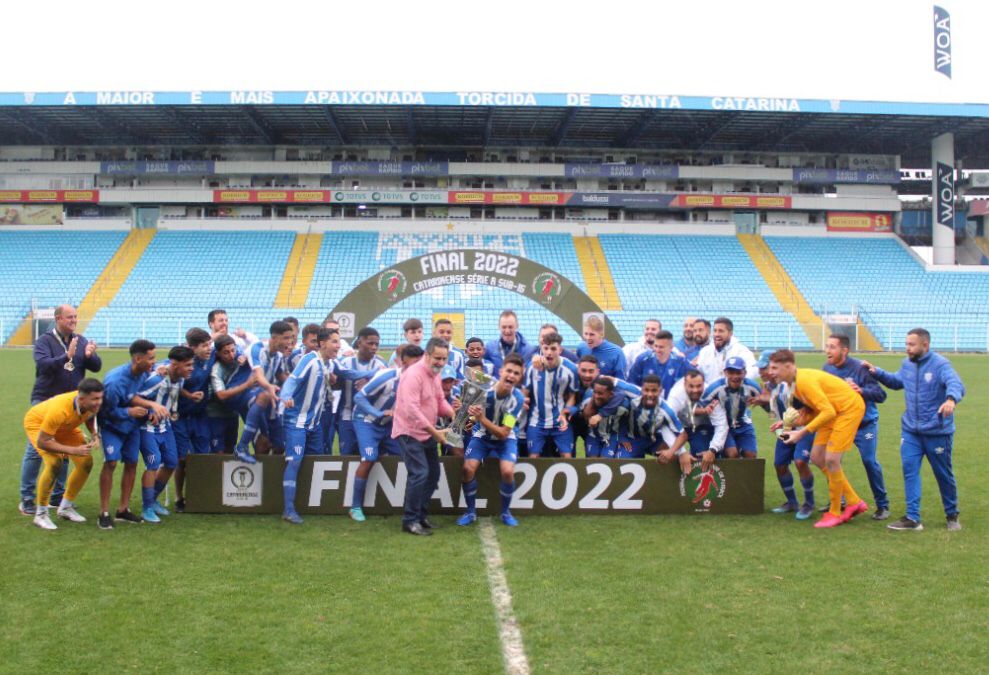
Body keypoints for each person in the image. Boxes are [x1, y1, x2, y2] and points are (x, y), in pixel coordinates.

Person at [863, 329, 965, 531]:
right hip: (911, 431)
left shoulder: (940, 364)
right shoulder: (907, 364)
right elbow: (897, 381)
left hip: (937, 432)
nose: (907, 348)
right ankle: (912, 518)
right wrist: (877, 372)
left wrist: (951, 399)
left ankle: (952, 514)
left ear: (925, 345)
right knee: (909, 470)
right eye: (906, 344)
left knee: (943, 474)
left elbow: (955, 383)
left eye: (911, 344)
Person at [769, 350, 869, 529]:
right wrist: (785, 422)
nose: (771, 372)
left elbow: (828, 411)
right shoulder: (794, 385)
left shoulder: (804, 382)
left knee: (831, 460)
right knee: (816, 457)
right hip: (834, 412)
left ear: (789, 366)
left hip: (848, 410)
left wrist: (801, 433)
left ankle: (835, 512)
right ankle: (854, 501)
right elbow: (814, 411)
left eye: (775, 368)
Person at [19, 303, 102, 516]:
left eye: (75, 317)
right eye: (69, 317)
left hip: (72, 404)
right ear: (58, 319)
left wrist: (91, 355)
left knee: (64, 449)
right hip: (45, 401)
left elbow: (95, 367)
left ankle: (58, 495)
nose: (73, 321)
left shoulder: (80, 340)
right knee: (37, 451)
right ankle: (27, 498)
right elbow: (43, 365)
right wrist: (66, 356)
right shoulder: (44, 341)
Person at [349, 345, 424, 522]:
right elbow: (358, 398)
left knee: (409, 457)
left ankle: (410, 506)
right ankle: (355, 506)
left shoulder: (418, 383)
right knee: (369, 458)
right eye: (414, 365)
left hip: (389, 425)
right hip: (366, 420)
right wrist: (378, 414)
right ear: (403, 363)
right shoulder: (386, 377)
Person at [97, 339, 165, 529]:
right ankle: (103, 512)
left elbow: (144, 397)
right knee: (110, 463)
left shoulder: (144, 373)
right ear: (137, 359)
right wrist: (128, 412)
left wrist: (149, 412)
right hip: (112, 426)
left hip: (132, 427)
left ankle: (123, 510)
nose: (154, 362)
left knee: (132, 464)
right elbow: (105, 412)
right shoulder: (114, 382)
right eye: (151, 358)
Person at [823, 334, 890, 520]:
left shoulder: (860, 368)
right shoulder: (826, 369)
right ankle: (838, 500)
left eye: (832, 347)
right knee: (831, 461)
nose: (827, 350)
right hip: (840, 424)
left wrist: (860, 391)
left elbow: (881, 395)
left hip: (864, 424)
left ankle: (882, 505)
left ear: (844, 350)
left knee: (869, 461)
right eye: (827, 346)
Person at [392, 337, 454, 536]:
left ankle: (420, 516)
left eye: (444, 359)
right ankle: (409, 520)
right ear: (427, 355)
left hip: (426, 432)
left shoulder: (435, 375)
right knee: (420, 474)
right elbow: (412, 410)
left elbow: (439, 400)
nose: (441, 363)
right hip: (409, 432)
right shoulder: (413, 375)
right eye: (437, 358)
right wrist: (436, 433)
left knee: (433, 474)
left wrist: (453, 415)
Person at [456, 353, 527, 527]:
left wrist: (481, 418)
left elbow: (504, 433)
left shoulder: (517, 399)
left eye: (516, 373)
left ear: (520, 377)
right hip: (482, 437)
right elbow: (462, 380)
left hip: (505, 439)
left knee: (508, 472)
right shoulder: (485, 384)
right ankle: (470, 512)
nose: (511, 375)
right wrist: (460, 402)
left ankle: (505, 512)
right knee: (467, 469)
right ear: (501, 371)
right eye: (509, 371)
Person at [25, 379, 104, 530]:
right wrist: (73, 450)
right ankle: (40, 514)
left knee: (86, 462)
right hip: (38, 424)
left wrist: (95, 434)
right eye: (95, 399)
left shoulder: (89, 404)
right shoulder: (60, 409)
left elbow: (89, 416)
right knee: (55, 463)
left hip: (65, 426)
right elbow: (43, 442)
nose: (99, 402)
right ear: (81, 399)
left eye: (100, 398)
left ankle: (65, 507)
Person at [279, 328, 338, 524]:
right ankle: (288, 509)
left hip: (314, 423)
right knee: (294, 461)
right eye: (334, 342)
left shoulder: (326, 363)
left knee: (316, 460)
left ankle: (313, 503)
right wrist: (286, 396)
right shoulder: (310, 360)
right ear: (322, 344)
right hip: (297, 421)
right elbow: (292, 380)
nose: (338, 346)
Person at [135, 346, 195, 523]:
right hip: (147, 428)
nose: (192, 368)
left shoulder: (180, 378)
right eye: (188, 365)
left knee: (171, 462)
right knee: (152, 465)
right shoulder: (157, 379)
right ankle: (146, 508)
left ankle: (152, 501)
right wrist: (148, 412)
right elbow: (135, 397)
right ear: (175, 365)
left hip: (166, 426)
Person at [754, 351, 816, 520]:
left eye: (764, 368)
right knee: (780, 464)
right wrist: (763, 404)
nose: (761, 372)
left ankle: (809, 503)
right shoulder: (771, 387)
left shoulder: (793, 383)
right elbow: (773, 414)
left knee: (800, 461)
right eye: (760, 369)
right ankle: (792, 502)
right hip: (784, 428)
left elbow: (808, 408)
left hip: (804, 428)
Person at [232, 320, 294, 463]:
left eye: (291, 338)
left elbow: (282, 376)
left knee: (278, 445)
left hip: (264, 397)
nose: (289, 342)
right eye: (286, 338)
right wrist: (270, 387)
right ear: (274, 337)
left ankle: (269, 479)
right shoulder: (257, 348)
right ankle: (241, 446)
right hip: (243, 393)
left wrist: (299, 383)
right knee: (263, 441)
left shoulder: (279, 356)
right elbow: (258, 376)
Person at [172, 328, 214, 512]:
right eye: (204, 346)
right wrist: (188, 395)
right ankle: (178, 497)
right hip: (180, 417)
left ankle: (198, 496)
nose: (209, 349)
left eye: (209, 345)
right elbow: (169, 374)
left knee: (202, 457)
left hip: (200, 416)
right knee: (181, 459)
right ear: (191, 347)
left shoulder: (210, 357)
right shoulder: (183, 361)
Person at [523, 332, 579, 458]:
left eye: (553, 348)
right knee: (533, 459)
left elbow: (572, 396)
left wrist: (565, 412)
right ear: (541, 348)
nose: (549, 352)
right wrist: (523, 404)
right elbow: (524, 393)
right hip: (536, 422)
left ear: (560, 349)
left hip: (559, 421)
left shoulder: (570, 369)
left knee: (567, 457)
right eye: (546, 348)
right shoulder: (532, 367)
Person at [336, 327, 387, 455]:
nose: (374, 347)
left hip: (370, 419)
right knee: (347, 456)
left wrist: (370, 383)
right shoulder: (345, 362)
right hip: (347, 418)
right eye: (370, 343)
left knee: (370, 456)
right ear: (359, 343)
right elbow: (335, 384)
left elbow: (387, 391)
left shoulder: (381, 365)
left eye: (376, 344)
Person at [665, 370, 729, 471]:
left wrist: (712, 450)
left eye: (699, 386)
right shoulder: (676, 395)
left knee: (709, 456)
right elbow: (666, 423)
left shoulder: (710, 392)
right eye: (691, 386)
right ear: (684, 384)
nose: (695, 390)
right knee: (671, 455)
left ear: (704, 384)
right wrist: (681, 452)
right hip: (682, 428)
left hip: (704, 425)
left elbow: (721, 424)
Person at [616, 375, 689, 463]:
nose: (650, 394)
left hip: (653, 439)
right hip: (631, 439)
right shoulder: (633, 393)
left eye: (654, 391)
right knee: (620, 462)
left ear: (660, 391)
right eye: (646, 390)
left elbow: (683, 434)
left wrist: (671, 452)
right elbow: (613, 381)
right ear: (642, 389)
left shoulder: (666, 410)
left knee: (674, 457)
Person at [700, 356, 763, 459]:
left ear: (744, 373)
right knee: (732, 454)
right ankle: (725, 464)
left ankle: (743, 474)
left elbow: (766, 403)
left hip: (743, 424)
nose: (735, 376)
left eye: (738, 372)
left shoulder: (752, 386)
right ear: (725, 373)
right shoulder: (716, 387)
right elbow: (701, 404)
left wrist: (764, 402)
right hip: (724, 425)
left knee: (751, 456)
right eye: (731, 372)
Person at [207, 335, 256, 453]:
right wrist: (246, 385)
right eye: (226, 352)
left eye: (233, 350)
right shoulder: (216, 370)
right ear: (218, 353)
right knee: (218, 453)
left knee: (230, 449)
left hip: (233, 414)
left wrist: (245, 357)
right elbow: (221, 395)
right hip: (216, 415)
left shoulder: (238, 361)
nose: (231, 355)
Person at [580, 376, 641, 458]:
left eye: (600, 393)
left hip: (611, 437)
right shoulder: (589, 397)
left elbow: (624, 421)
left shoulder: (623, 405)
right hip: (593, 435)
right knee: (592, 462)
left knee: (605, 462)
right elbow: (586, 414)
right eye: (595, 392)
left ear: (611, 394)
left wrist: (622, 437)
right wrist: (592, 401)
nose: (597, 396)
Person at [627, 329, 689, 397]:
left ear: (671, 347)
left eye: (661, 347)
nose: (657, 350)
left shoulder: (681, 363)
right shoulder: (643, 360)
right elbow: (631, 384)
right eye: (656, 346)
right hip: (646, 402)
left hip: (672, 404)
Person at [696, 317, 757, 383]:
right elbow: (698, 375)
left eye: (721, 331)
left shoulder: (742, 351)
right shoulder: (705, 352)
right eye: (715, 330)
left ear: (730, 333)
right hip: (710, 392)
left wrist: (737, 383)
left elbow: (753, 370)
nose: (717, 334)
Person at [484, 309, 537, 376]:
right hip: (497, 385)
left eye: (510, 327)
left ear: (517, 326)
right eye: (504, 327)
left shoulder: (528, 350)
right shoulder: (489, 347)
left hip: (517, 386)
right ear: (499, 327)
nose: (507, 331)